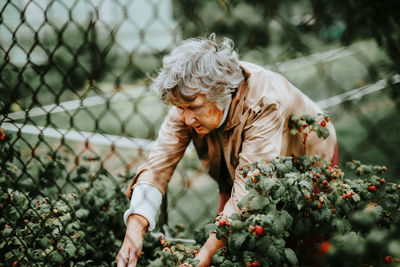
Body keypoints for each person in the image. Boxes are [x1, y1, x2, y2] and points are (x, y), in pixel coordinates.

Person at [116, 34, 338, 267]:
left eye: (194, 108)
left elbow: (250, 192)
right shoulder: (187, 101)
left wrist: (199, 260)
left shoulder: (264, 101)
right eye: (180, 108)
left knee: (308, 244)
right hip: (238, 170)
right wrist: (135, 227)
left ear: (222, 92)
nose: (187, 119)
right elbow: (158, 165)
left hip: (307, 161)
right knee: (230, 248)